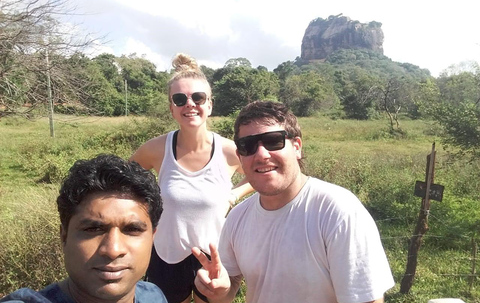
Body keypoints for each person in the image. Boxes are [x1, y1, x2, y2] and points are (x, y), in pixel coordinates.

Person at [192, 101, 395, 303]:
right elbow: (231, 282)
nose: (262, 154)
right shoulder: (238, 217)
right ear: (240, 156)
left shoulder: (337, 211)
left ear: (296, 147)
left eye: (273, 141)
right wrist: (219, 291)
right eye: (248, 146)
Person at [129, 53, 252, 303]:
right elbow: (123, 177)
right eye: (180, 99)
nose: (190, 104)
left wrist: (233, 195)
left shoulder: (229, 151)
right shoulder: (157, 148)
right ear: (171, 107)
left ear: (209, 104)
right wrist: (144, 212)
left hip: (213, 254)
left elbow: (260, 173)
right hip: (166, 254)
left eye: (198, 97)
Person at [0, 154, 167, 303]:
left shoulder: (153, 296)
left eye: (132, 230)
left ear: (152, 237)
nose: (113, 250)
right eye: (93, 229)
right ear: (64, 236)